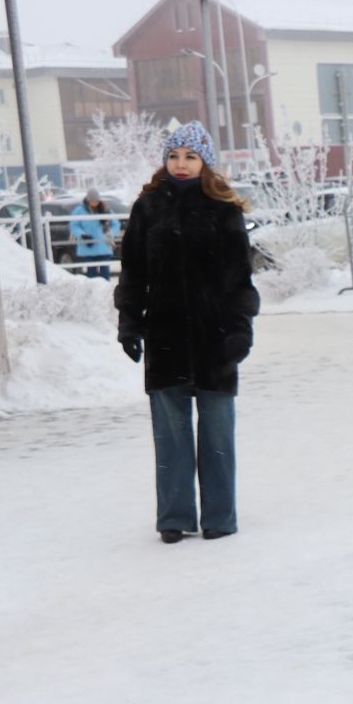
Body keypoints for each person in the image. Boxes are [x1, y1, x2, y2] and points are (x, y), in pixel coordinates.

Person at [114, 122, 257, 544]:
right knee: (171, 436)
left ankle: (219, 516)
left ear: (204, 162)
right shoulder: (148, 208)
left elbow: (240, 280)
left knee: (216, 436)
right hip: (166, 337)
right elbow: (133, 272)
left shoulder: (224, 211)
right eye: (174, 155)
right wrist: (129, 322)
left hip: (215, 339)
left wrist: (240, 330)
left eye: (190, 156)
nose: (180, 164)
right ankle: (174, 517)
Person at [69, 189, 119, 280]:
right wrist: (82, 235)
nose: (94, 203)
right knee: (92, 274)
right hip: (88, 247)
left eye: (96, 201)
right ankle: (93, 293)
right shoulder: (79, 211)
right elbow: (74, 226)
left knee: (105, 274)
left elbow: (116, 224)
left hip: (104, 246)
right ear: (88, 200)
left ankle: (105, 292)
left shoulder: (106, 209)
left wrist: (110, 234)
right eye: (92, 201)